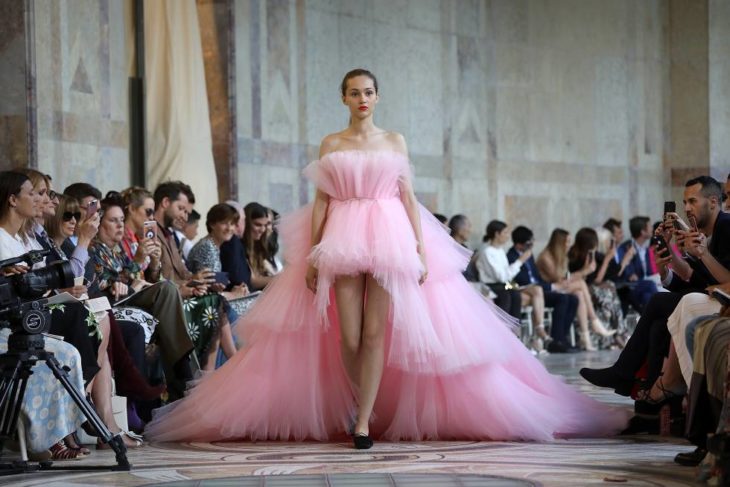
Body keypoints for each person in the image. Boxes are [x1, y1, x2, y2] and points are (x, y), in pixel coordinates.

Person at [145, 68, 627, 449]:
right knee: (348, 334)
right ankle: (366, 405)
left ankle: (362, 420)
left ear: (377, 97)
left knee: (377, 332)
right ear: (344, 97)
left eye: (368, 91)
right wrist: (313, 256)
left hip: (390, 236)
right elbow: (321, 203)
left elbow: (408, 196)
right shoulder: (331, 144)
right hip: (342, 237)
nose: (362, 98)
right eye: (354, 91)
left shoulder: (394, 141)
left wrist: (419, 249)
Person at [536, 229, 615, 350]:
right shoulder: (545, 257)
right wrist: (585, 271)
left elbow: (566, 278)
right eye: (567, 242)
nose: (569, 244)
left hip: (559, 288)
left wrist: (585, 270)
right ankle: (594, 321)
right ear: (559, 243)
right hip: (547, 290)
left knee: (578, 294)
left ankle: (585, 338)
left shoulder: (561, 256)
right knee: (581, 284)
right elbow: (560, 280)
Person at [507, 226, 579, 353]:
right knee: (562, 299)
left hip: (539, 289)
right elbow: (522, 280)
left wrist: (550, 286)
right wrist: (552, 286)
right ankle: (555, 341)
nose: (532, 244)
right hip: (527, 291)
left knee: (572, 299)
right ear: (520, 244)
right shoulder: (511, 256)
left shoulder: (529, 255)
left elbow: (536, 278)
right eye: (529, 242)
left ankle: (563, 337)